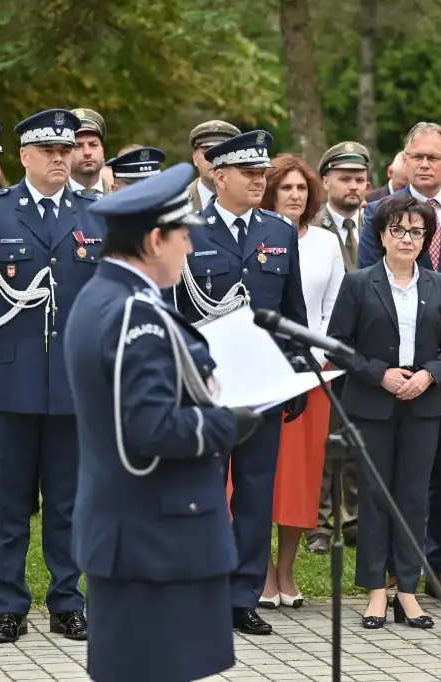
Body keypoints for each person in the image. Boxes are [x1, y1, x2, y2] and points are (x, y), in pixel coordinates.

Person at [65, 162, 264, 682]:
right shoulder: (136, 314)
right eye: (184, 237)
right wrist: (230, 424)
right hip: (154, 537)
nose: (191, 250)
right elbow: (149, 432)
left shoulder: (103, 297)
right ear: (155, 240)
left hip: (141, 532)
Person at [0, 109, 102, 643]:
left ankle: (66, 601)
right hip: (8, 384)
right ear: (26, 158)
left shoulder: (94, 213)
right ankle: (9, 604)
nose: (62, 158)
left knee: (67, 503)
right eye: (51, 151)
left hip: (73, 387)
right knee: (6, 503)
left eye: (67, 150)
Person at [174, 129, 309, 636]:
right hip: (205, 389)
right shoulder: (186, 229)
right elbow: (171, 314)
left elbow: (292, 313)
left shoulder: (277, 231)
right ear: (219, 175)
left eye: (262, 173)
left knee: (255, 493)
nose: (260, 181)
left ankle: (242, 595)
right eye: (250, 174)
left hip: (262, 387)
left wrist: (295, 379)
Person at [359, 122, 441, 605]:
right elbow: (365, 285)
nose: (425, 164)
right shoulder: (378, 212)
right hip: (387, 370)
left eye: (435, 157)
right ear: (403, 160)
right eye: (417, 156)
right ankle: (391, 573)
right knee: (391, 474)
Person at [326, 194, 441, 629]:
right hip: (373, 402)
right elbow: (339, 345)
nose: (408, 238)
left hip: (423, 402)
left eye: (417, 232)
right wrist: (379, 374)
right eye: (398, 230)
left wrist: (429, 376)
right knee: (374, 496)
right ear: (383, 235)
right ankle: (373, 591)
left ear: (426, 239)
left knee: (412, 498)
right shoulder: (358, 282)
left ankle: (406, 589)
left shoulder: (438, 284)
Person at [258, 155, 344, 607]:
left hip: (310, 371)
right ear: (270, 191)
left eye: (302, 188)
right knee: (258, 477)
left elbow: (334, 307)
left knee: (300, 477)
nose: (295, 195)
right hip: (259, 371)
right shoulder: (257, 235)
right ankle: (264, 573)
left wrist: (320, 354)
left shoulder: (326, 243)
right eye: (286, 187)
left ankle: (287, 570)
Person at [309, 142, 370, 554]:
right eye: (344, 178)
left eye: (359, 179)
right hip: (323, 345)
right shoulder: (311, 226)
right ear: (326, 180)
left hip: (365, 347)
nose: (353, 186)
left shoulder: (379, 222)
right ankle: (318, 525)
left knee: (355, 438)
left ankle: (354, 520)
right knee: (322, 439)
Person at [186, 120, 241, 212]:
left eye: (223, 153)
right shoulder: (179, 202)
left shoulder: (249, 198)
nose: (215, 159)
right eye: (207, 153)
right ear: (195, 158)